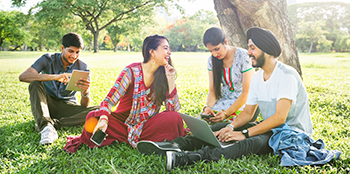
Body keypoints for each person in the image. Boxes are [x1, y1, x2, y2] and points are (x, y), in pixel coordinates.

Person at [137, 27, 314, 170]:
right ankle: (174, 145)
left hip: (290, 133)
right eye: (249, 47)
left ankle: (187, 158)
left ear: (266, 49)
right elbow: (248, 112)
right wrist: (229, 127)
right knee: (218, 128)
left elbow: (280, 118)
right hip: (271, 128)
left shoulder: (286, 75)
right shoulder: (259, 78)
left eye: (253, 48)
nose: (249, 52)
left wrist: (243, 133)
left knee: (250, 142)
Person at [63, 35, 187, 153]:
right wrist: (104, 120)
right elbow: (109, 101)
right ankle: (147, 140)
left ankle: (141, 140)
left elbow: (173, 110)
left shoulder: (164, 75)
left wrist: (171, 79)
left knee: (174, 118)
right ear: (152, 52)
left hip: (147, 126)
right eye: (165, 48)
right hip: (122, 125)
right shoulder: (131, 71)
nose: (169, 52)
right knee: (92, 118)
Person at [19, 32, 99, 145]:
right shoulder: (48, 59)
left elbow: (84, 107)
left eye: (77, 52)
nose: (74, 56)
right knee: (35, 84)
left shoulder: (83, 68)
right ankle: (46, 128)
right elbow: (23, 76)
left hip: (68, 107)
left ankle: (53, 124)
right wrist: (55, 77)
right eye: (70, 51)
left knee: (101, 110)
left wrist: (85, 92)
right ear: (62, 48)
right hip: (47, 104)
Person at [200, 27, 258, 129]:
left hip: (242, 102)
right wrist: (208, 107)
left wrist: (226, 113)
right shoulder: (212, 60)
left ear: (225, 42)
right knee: (202, 125)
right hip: (223, 100)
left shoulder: (244, 56)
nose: (214, 54)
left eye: (217, 49)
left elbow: (246, 92)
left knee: (220, 127)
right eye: (210, 51)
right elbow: (213, 90)